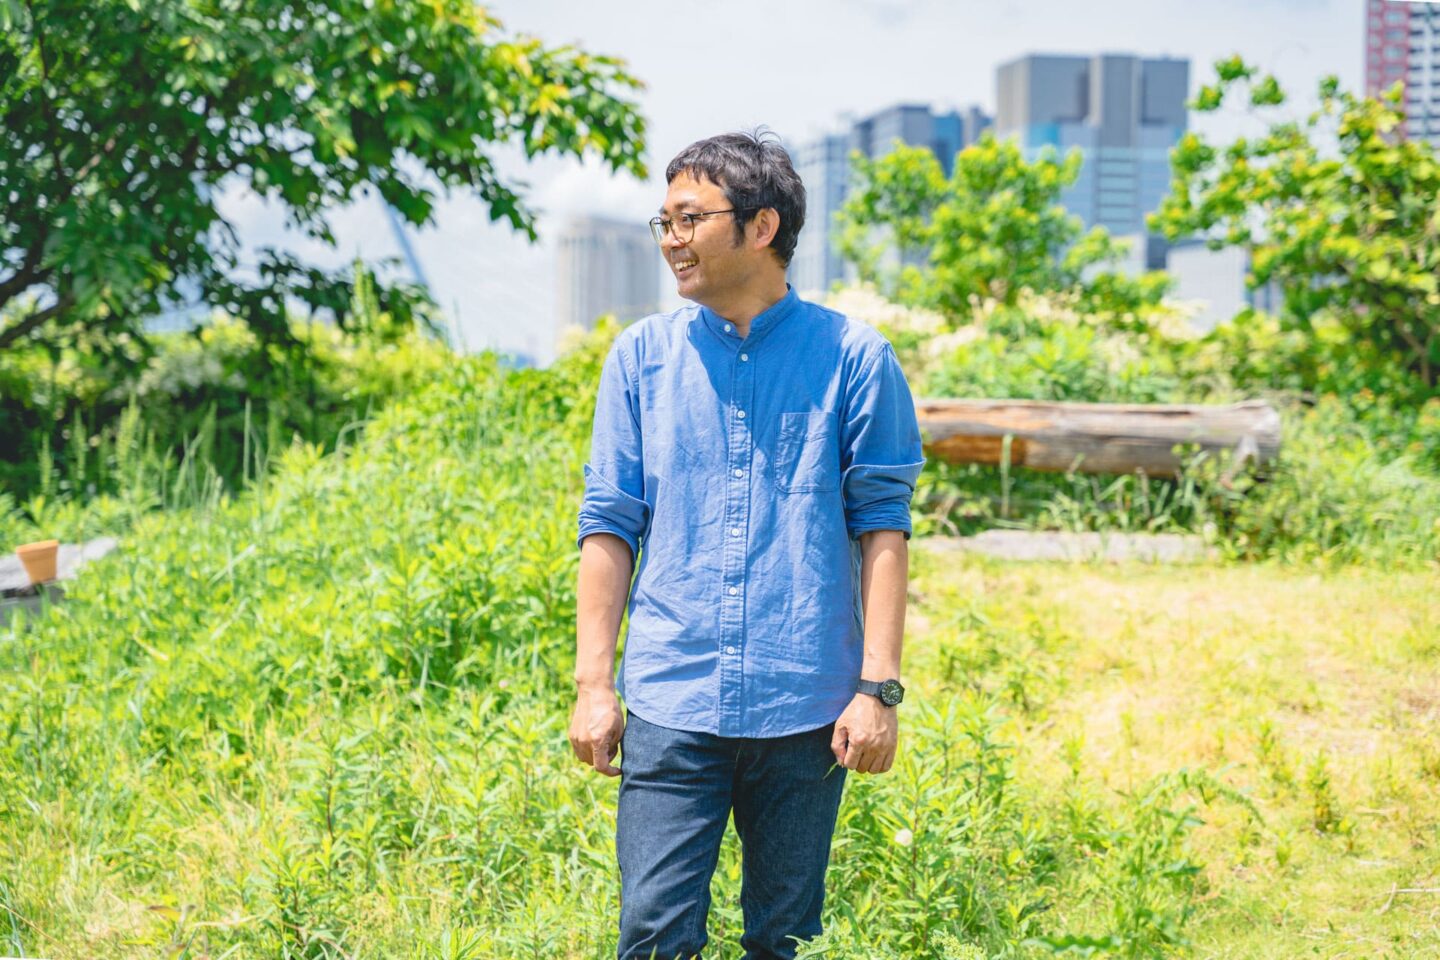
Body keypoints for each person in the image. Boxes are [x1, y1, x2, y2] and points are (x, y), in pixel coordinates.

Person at [568, 128, 925, 960]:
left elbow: (883, 524)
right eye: (664, 221)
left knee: (785, 940)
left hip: (805, 707)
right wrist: (593, 685)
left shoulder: (855, 358)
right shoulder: (640, 359)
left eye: (690, 218)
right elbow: (609, 523)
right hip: (671, 701)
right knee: (653, 935)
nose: (671, 239)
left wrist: (878, 690)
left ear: (762, 226)